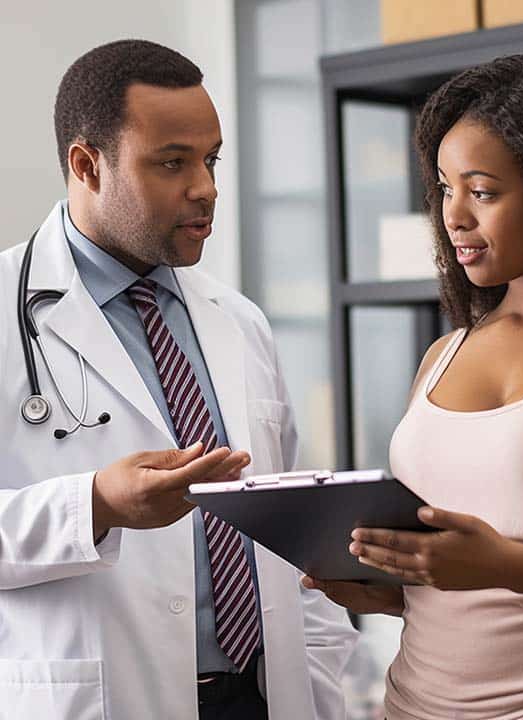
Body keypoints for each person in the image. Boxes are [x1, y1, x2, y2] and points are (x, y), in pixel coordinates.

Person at [0, 40, 357, 719]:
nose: (207, 187)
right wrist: (95, 505)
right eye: (172, 162)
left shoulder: (239, 321)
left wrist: (326, 685)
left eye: (211, 158)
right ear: (87, 165)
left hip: (265, 695)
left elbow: (287, 530)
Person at [303, 52, 523, 719]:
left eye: (481, 191)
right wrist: (391, 584)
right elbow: (464, 576)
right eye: (443, 188)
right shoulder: (443, 354)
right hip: (415, 703)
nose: (452, 216)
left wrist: (505, 563)